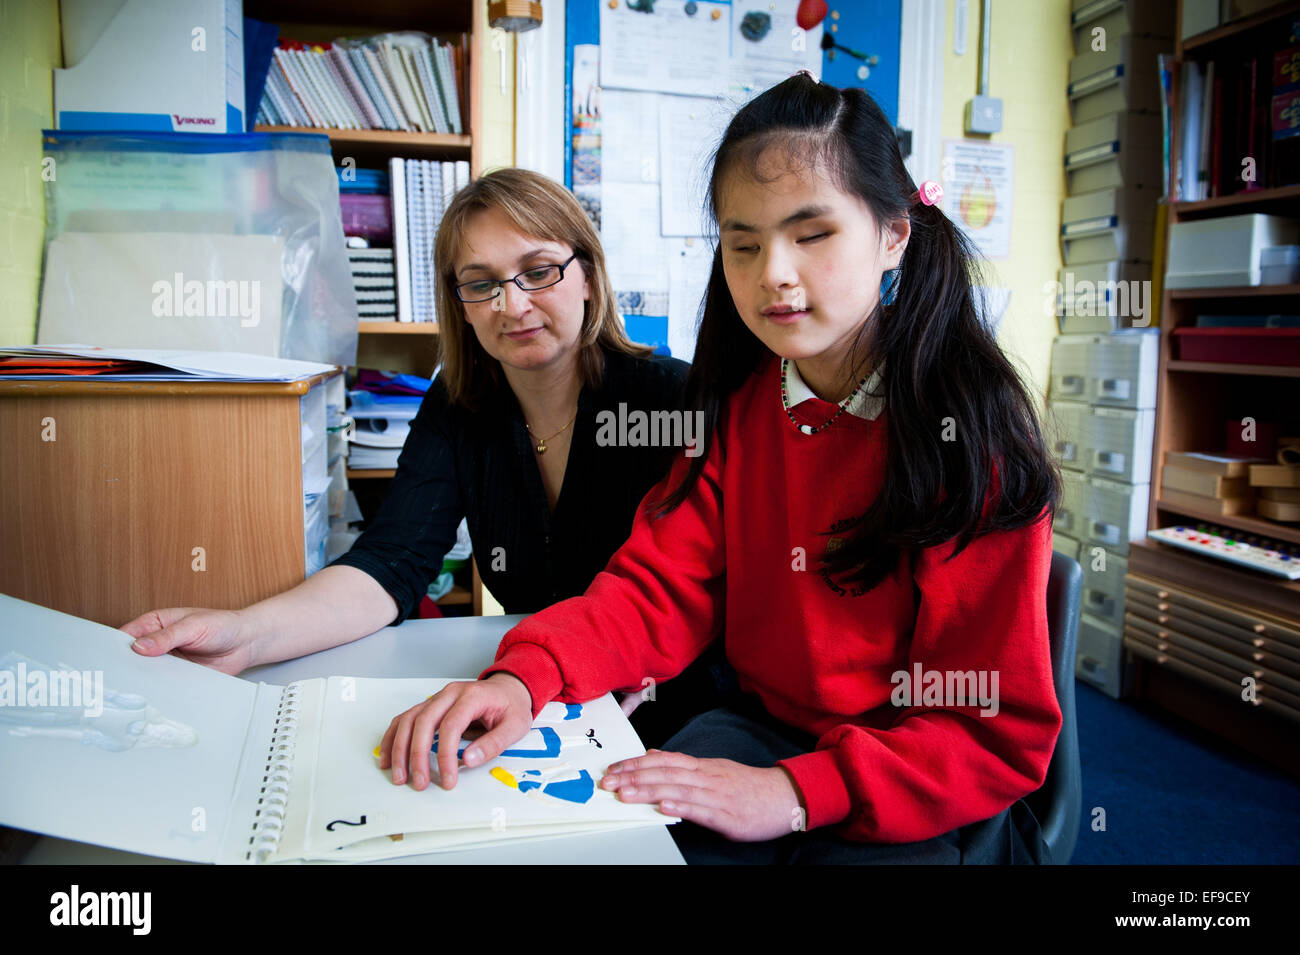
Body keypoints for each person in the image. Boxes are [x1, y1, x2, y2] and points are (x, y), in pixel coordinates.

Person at [379, 74, 1064, 865]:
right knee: (603, 839)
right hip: (761, 727)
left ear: (893, 236)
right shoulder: (740, 406)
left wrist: (797, 791)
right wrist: (525, 679)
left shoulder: (972, 438)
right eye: (743, 244)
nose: (773, 271)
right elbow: (657, 587)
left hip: (910, 772)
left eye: (812, 235)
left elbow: (991, 731)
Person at [123, 168, 709, 745]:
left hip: (671, 702)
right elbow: (392, 562)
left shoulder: (671, 400)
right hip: (536, 703)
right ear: (461, 303)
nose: (512, 304)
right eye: (482, 283)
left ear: (587, 275)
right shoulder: (461, 405)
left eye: (538, 271)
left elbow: (697, 592)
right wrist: (246, 633)